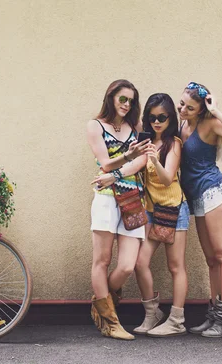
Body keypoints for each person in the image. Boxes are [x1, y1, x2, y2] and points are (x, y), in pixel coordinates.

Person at [178, 82, 222, 338]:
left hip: (214, 192)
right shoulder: (183, 125)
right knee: (211, 260)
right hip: (196, 197)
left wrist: (215, 111)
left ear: (201, 109)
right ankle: (215, 314)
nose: (183, 109)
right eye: (182, 103)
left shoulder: (210, 124)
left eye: (189, 107)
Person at [86, 79, 150, 340]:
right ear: (111, 97)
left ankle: (100, 303)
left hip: (133, 196)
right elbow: (104, 164)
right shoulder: (95, 125)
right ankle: (111, 322)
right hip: (106, 198)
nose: (127, 104)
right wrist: (127, 156)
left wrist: (121, 171)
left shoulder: (136, 126)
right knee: (101, 260)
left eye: (131, 101)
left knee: (126, 266)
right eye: (122, 99)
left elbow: (144, 159)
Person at [132, 93, 190, 337]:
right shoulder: (144, 142)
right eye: (152, 117)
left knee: (175, 266)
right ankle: (152, 313)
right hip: (153, 211)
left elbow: (167, 179)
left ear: (170, 119)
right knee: (139, 262)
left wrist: (154, 159)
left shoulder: (173, 143)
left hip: (175, 208)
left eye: (162, 117)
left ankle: (176, 320)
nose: (157, 122)